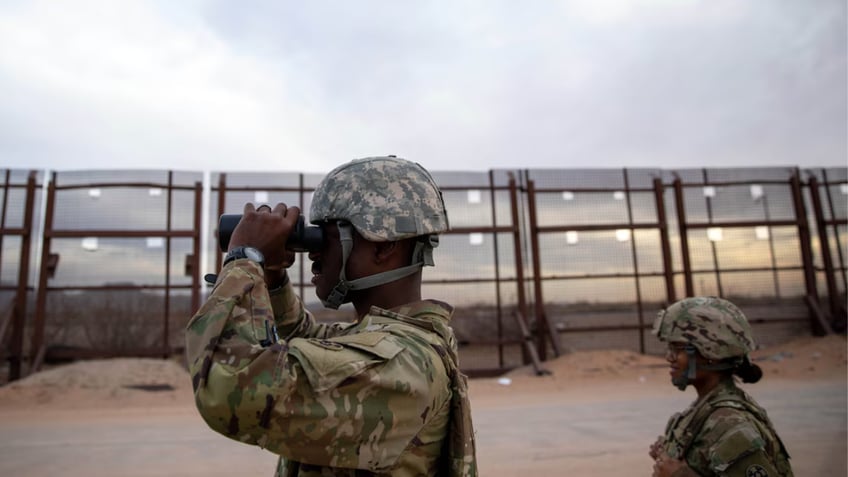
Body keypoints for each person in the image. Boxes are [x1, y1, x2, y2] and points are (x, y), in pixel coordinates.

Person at [185, 156, 477, 476]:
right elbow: (302, 337)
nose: (312, 251)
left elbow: (229, 388)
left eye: (327, 236)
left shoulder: (399, 362)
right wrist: (270, 277)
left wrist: (244, 258)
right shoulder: (392, 339)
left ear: (384, 246)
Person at [649, 296, 794, 477]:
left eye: (679, 349)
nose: (669, 357)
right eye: (669, 348)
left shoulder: (729, 424)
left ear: (711, 353)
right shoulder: (704, 409)